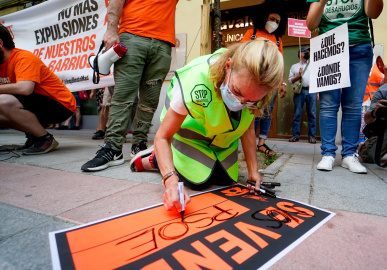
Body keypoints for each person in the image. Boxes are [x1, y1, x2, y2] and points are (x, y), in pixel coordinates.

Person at [130, 40, 284, 213]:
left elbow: (247, 126)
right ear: (228, 66)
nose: (241, 103)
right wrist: (171, 181)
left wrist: (253, 171)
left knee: (225, 181)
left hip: (220, 140)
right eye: (237, 92)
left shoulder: (259, 90)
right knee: (196, 183)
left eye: (251, 101)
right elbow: (163, 136)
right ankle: (154, 158)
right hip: (186, 132)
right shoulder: (195, 79)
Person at [81, 0, 178, 172]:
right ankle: (112, 148)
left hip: (163, 43)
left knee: (150, 99)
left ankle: (139, 145)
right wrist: (111, 29)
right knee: (123, 95)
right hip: (133, 36)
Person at [306, 0, 384, 173]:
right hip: (328, 46)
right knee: (328, 105)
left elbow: (374, 13)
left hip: (359, 47)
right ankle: (328, 153)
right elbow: (311, 24)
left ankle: (349, 154)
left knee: (353, 105)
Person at [0, 25, 76, 155]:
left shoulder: (22, 57)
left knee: (2, 101)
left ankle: (44, 138)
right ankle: (34, 135)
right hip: (36, 104)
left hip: (61, 106)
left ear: (0, 43)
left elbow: (25, 89)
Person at [240, 0, 287, 157]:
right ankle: (250, 142)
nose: (274, 23)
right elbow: (241, 53)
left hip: (271, 83)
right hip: (253, 82)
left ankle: (262, 143)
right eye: (272, 19)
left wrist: (283, 82)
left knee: (268, 112)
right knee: (253, 111)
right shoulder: (251, 34)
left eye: (278, 22)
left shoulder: (278, 40)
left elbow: (281, 63)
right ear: (264, 16)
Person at [358, 82, 387, 163]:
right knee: (370, 156)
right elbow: (367, 120)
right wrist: (374, 112)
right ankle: (362, 147)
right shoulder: (384, 91)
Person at [288, 47, 317, 144]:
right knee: (297, 113)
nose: (307, 53)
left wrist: (317, 93)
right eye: (304, 52)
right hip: (299, 92)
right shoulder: (294, 66)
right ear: (299, 54)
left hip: (311, 91)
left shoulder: (313, 65)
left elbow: (317, 79)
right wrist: (298, 75)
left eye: (308, 52)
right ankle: (295, 135)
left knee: (312, 114)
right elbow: (290, 80)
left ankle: (312, 136)